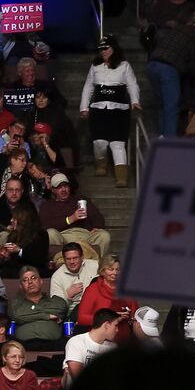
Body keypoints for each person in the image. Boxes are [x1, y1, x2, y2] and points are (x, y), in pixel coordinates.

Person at [80, 35, 141, 187]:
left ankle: (122, 177)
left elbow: (132, 85)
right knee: (99, 142)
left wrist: (135, 101)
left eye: (106, 48)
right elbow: (88, 87)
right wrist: (84, 107)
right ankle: (101, 164)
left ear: (114, 48)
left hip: (119, 110)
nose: (104, 51)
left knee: (117, 144)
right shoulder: (95, 66)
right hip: (99, 109)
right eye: (101, 49)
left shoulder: (124, 65)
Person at [39, 173, 110, 261]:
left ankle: (96, 265)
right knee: (50, 233)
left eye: (65, 186)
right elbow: (45, 224)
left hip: (85, 235)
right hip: (63, 237)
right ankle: (60, 262)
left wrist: (97, 226)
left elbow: (98, 216)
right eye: (59, 187)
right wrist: (70, 219)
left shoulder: (80, 200)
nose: (63, 189)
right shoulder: (48, 205)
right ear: (53, 190)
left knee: (104, 235)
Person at [9, 266, 68, 350]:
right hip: (24, 346)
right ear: (21, 286)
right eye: (25, 280)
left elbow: (60, 309)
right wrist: (47, 316)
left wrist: (29, 314)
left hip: (53, 345)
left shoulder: (55, 301)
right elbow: (17, 315)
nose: (30, 282)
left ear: (41, 281)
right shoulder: (16, 303)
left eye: (33, 278)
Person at [77, 254, 137, 330]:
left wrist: (128, 317)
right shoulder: (93, 289)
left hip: (124, 333)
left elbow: (135, 316)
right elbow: (82, 319)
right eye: (111, 269)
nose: (115, 273)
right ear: (102, 271)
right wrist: (110, 318)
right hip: (100, 336)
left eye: (118, 269)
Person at [64, 307, 120, 381]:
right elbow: (78, 378)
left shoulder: (113, 347)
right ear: (106, 325)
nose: (117, 330)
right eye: (115, 325)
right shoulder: (76, 342)